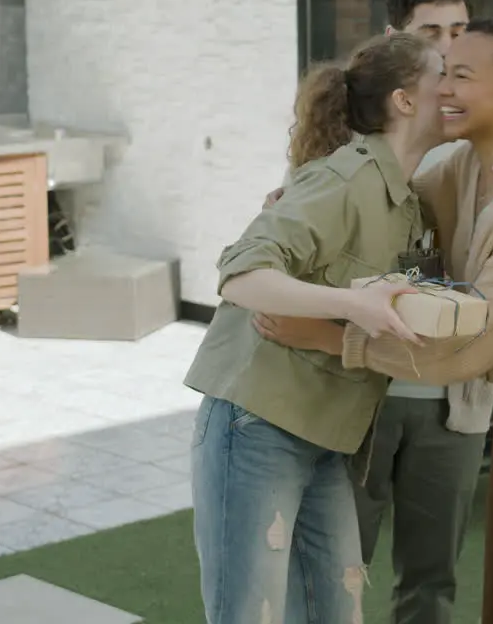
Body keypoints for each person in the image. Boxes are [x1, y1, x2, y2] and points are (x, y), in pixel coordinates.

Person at [256, 2, 493, 624]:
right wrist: (304, 203)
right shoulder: (462, 167)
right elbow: (379, 206)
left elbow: (464, 350)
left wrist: (324, 335)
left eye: (461, 75)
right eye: (442, 72)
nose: (441, 88)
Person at [184, 31, 446, 624]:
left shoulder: (406, 202)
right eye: (443, 74)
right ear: (405, 100)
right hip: (257, 427)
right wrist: (353, 305)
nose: (453, 88)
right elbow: (240, 274)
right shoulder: (346, 179)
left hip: (328, 439)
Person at [259, 0, 488, 624]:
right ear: (398, 42)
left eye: (460, 31)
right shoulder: (346, 154)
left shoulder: (478, 142)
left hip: (451, 403)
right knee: (337, 574)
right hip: (359, 393)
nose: (448, 47)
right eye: (431, 33)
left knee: (432, 582)